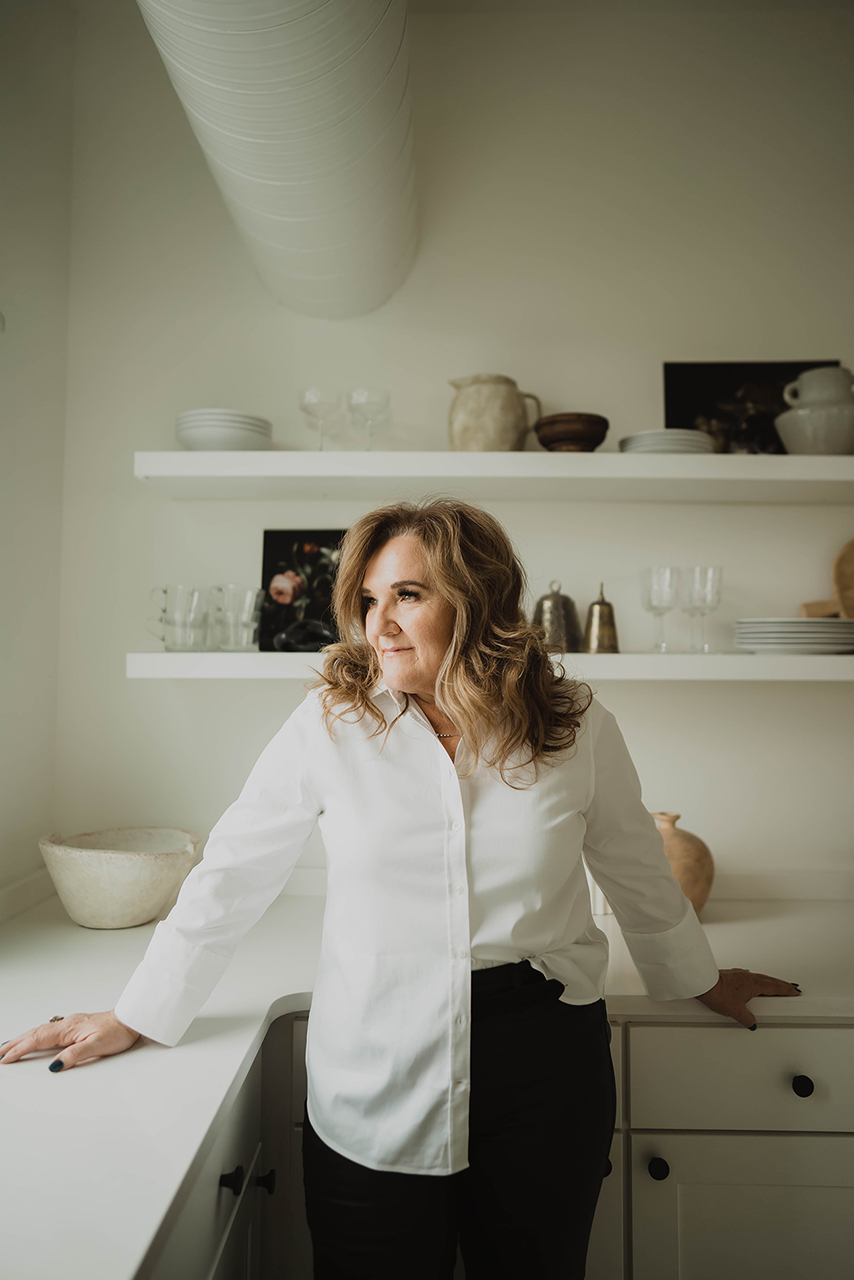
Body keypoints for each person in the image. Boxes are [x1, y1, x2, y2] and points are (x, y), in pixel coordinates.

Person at [1, 498, 799, 1279]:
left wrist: (700, 976)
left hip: (547, 1069)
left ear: (477, 601)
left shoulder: (577, 724)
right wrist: (136, 1013)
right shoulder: (328, 723)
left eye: (407, 596)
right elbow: (232, 876)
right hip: (375, 1067)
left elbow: (635, 868)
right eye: (369, 599)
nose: (377, 622)